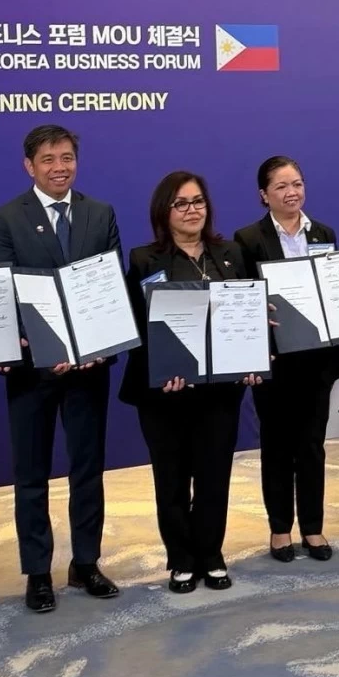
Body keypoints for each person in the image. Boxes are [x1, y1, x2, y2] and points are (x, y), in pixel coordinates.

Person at [0, 124, 122, 613]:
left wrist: (97, 346)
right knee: (32, 473)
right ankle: (38, 573)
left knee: (88, 468)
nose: (59, 167)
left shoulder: (99, 213)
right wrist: (46, 347)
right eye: (48, 159)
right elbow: (6, 296)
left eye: (67, 157)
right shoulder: (4, 220)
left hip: (89, 367)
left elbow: (108, 288)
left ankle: (86, 563)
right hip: (33, 371)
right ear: (29, 166)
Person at [121, 171, 264, 592]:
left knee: (214, 474)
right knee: (172, 477)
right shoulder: (144, 259)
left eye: (198, 201)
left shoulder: (230, 253)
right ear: (164, 212)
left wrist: (254, 358)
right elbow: (138, 328)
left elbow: (248, 314)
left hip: (219, 391)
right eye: (181, 203)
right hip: (165, 394)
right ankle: (181, 558)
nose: (192, 210)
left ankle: (211, 553)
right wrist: (161, 370)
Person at [234, 156, 339, 562]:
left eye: (297, 184)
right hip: (275, 361)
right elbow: (243, 300)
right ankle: (280, 530)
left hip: (317, 361)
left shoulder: (323, 232)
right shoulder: (248, 239)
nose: (292, 193)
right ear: (264, 195)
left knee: (311, 446)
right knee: (277, 447)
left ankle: (313, 527)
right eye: (281, 187)